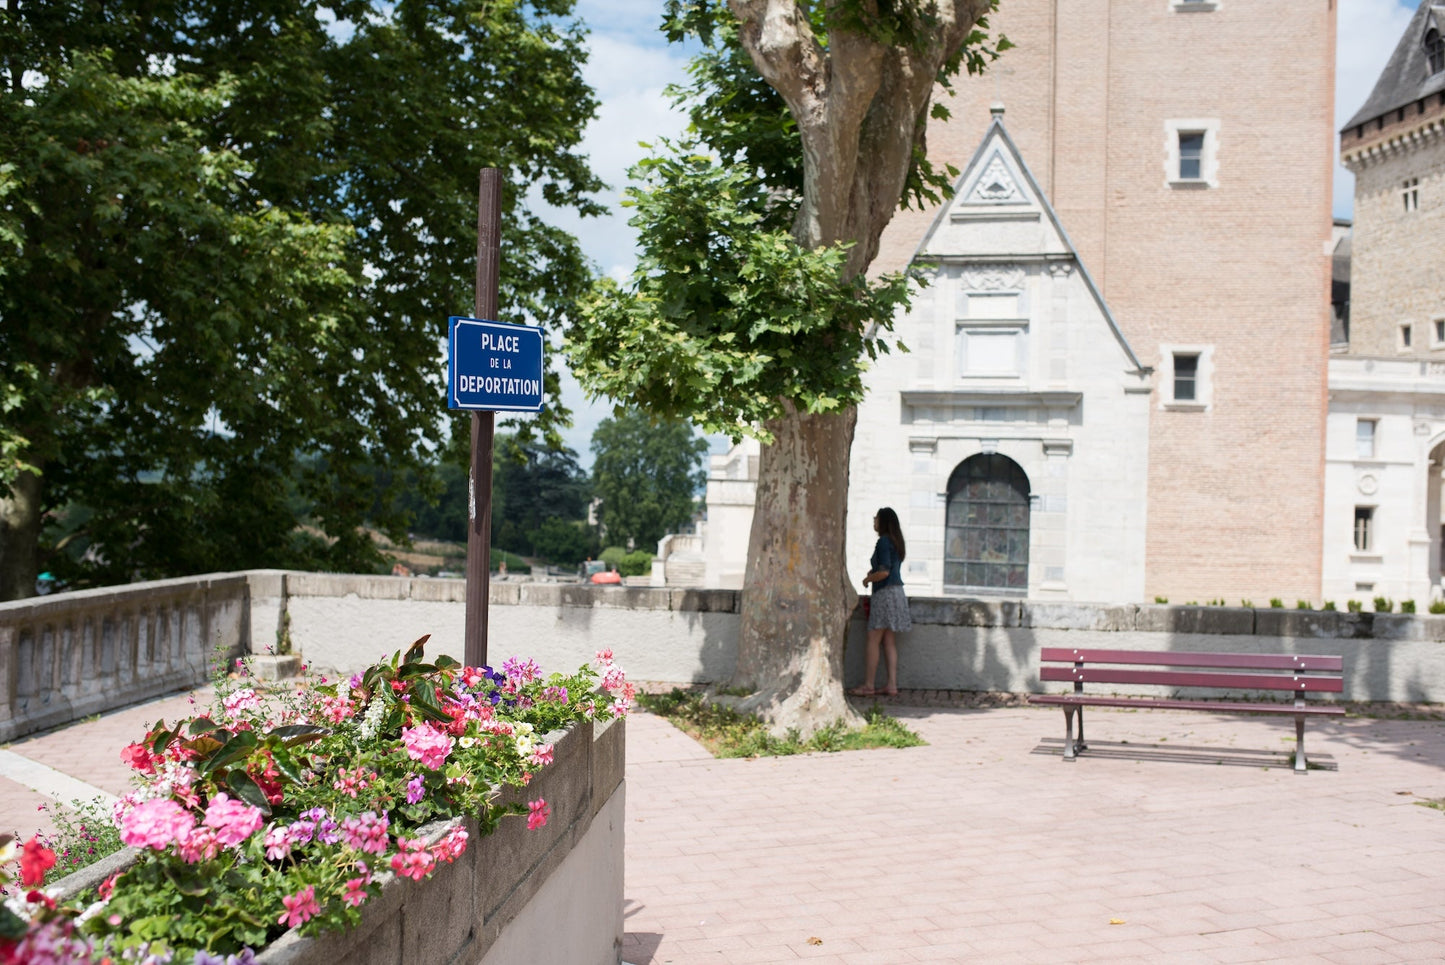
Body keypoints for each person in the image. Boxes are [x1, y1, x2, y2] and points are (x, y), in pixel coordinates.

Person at [849, 506, 912, 697]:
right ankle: (891, 684)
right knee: (889, 641)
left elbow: (884, 571)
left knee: (873, 639)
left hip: (884, 594)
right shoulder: (896, 542)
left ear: (882, 521)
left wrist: (868, 579)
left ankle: (869, 685)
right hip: (897, 593)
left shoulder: (883, 542)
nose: (874, 522)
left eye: (876, 518)